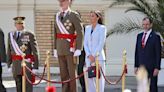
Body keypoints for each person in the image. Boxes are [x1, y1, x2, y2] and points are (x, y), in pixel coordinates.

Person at [53, 0, 84, 92]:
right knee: (63, 74)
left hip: (71, 49)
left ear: (68, 2)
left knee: (72, 74)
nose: (61, 3)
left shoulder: (74, 15)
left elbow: (80, 32)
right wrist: (55, 48)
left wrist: (79, 48)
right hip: (60, 48)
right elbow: (55, 33)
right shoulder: (57, 15)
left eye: (63, 1)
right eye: (60, 1)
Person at [7, 16, 39, 92]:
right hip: (15, 64)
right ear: (15, 25)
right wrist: (9, 64)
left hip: (26, 63)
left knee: (27, 85)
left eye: (21, 23)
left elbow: (35, 51)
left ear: (24, 24)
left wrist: (35, 66)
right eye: (18, 24)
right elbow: (9, 50)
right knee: (18, 84)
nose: (20, 25)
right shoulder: (11, 35)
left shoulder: (29, 34)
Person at [135, 17, 161, 92]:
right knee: (142, 87)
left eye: (147, 24)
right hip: (141, 67)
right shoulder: (139, 36)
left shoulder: (156, 37)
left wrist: (157, 67)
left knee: (152, 87)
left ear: (151, 25)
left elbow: (158, 53)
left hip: (152, 67)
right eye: (143, 24)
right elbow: (137, 52)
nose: (145, 26)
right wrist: (136, 65)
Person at [84, 11, 106, 92]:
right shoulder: (87, 28)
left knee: (99, 80)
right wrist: (89, 55)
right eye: (90, 16)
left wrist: (94, 56)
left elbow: (101, 43)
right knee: (89, 79)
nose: (91, 17)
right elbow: (85, 43)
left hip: (99, 57)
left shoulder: (102, 28)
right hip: (89, 58)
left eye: (92, 16)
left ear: (98, 17)